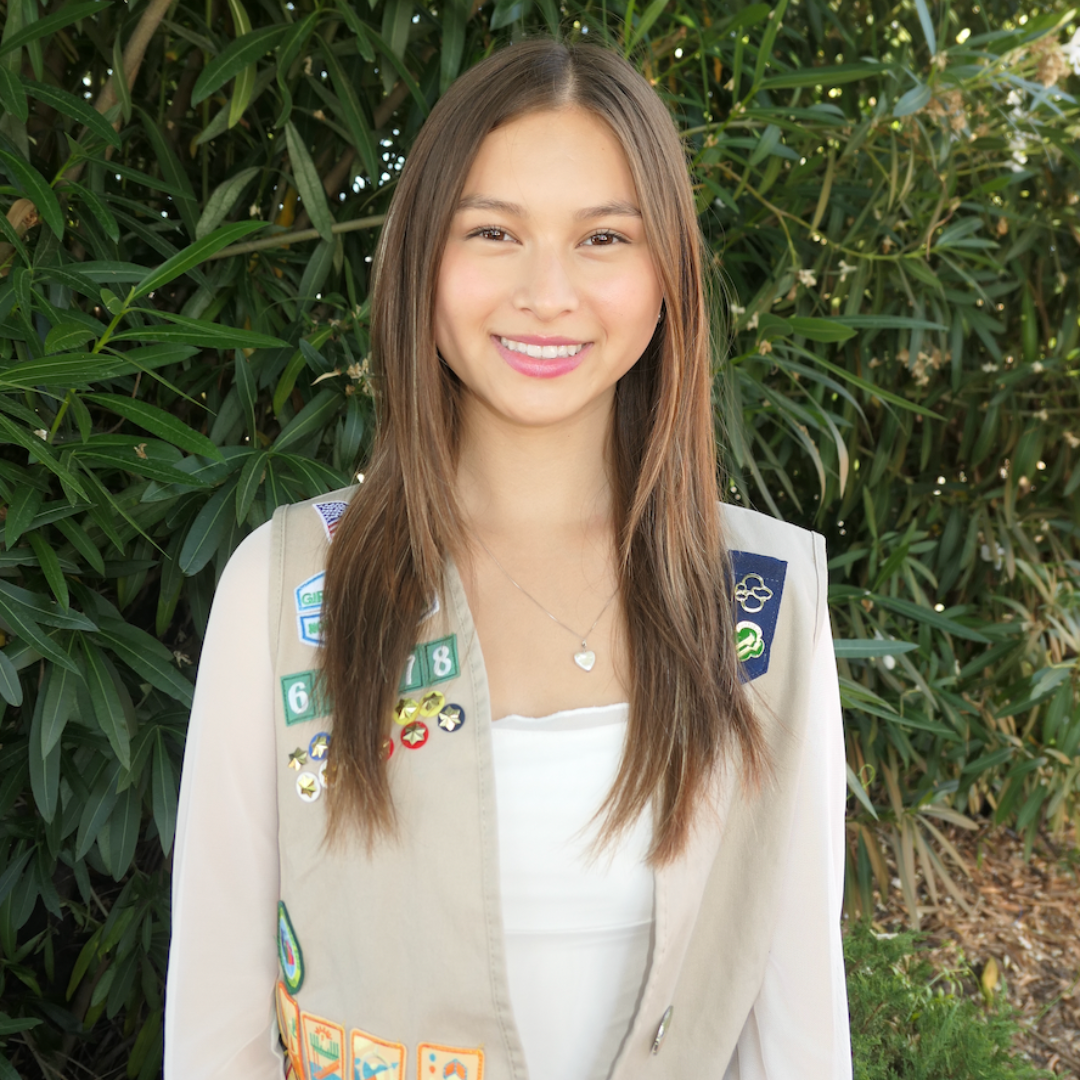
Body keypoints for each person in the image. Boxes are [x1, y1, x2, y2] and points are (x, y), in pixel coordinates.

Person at [165, 37, 851, 1080]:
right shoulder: (289, 583)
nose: (547, 293)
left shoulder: (759, 594)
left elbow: (796, 1029)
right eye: (494, 230)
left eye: (603, 238)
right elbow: (214, 1039)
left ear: (668, 275)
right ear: (423, 262)